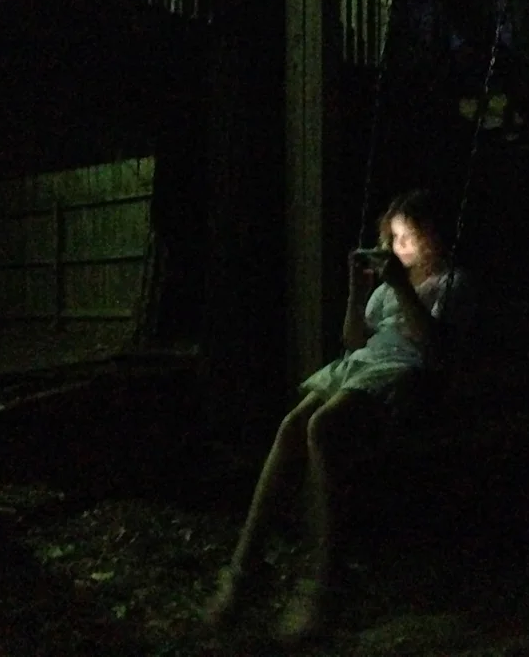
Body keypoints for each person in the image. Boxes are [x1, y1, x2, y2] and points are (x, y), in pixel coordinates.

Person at [203, 189, 476, 640]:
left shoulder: (453, 284)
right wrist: (357, 290)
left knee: (322, 428)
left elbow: (435, 348)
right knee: (290, 426)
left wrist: (401, 287)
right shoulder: (387, 289)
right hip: (362, 363)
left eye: (407, 237)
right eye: (392, 237)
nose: (396, 247)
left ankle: (323, 584)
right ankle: (243, 570)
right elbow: (353, 339)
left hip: (406, 372)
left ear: (431, 238)